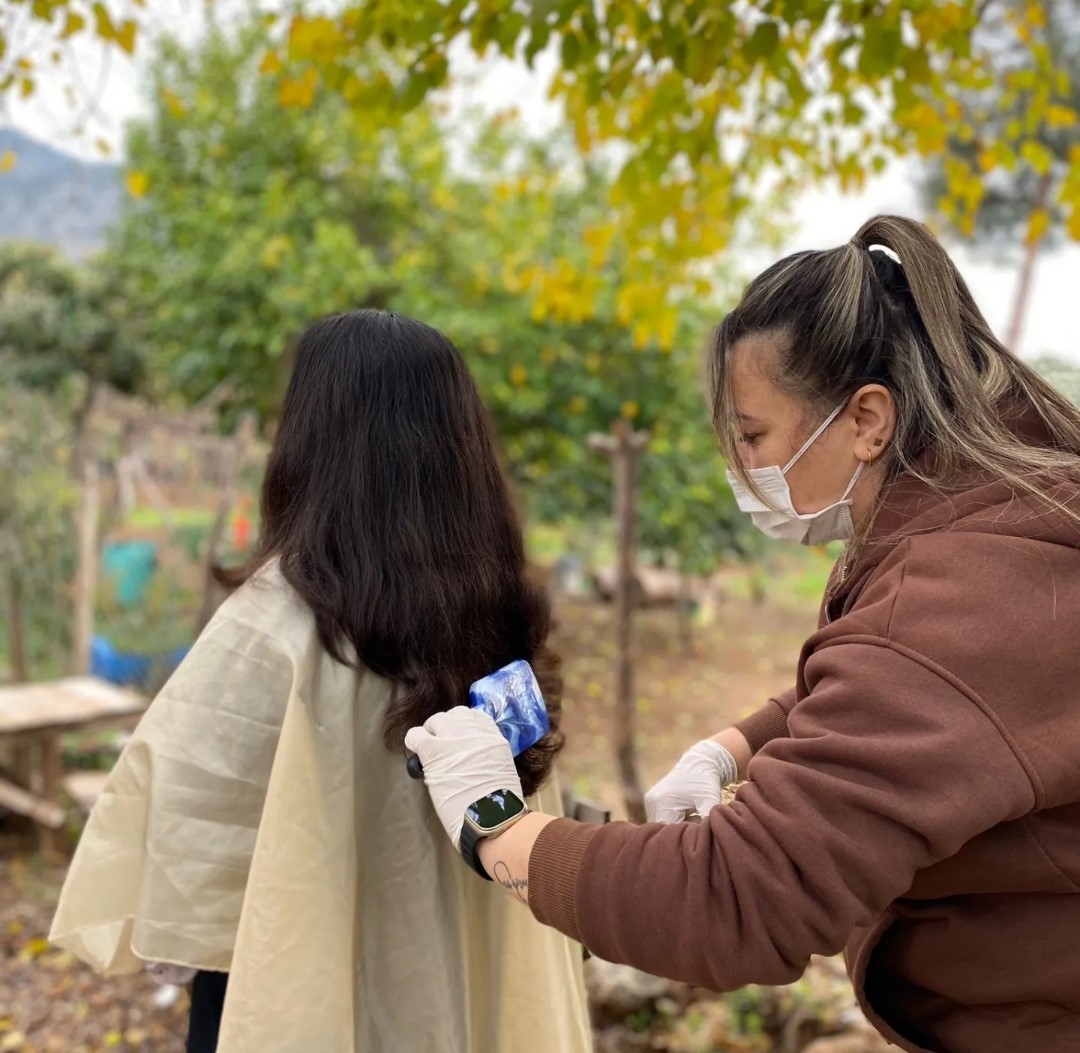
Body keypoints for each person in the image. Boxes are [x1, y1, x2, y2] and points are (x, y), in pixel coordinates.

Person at [406, 216, 1080, 1053]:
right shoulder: (1003, 519)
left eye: (754, 436)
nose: (740, 469)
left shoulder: (958, 590)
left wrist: (497, 829)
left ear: (868, 418)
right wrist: (734, 747)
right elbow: (927, 696)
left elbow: (734, 902)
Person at [50, 310, 591, 1053]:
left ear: (309, 440)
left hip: (288, 987)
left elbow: (188, 824)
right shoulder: (500, 620)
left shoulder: (270, 624)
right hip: (466, 986)